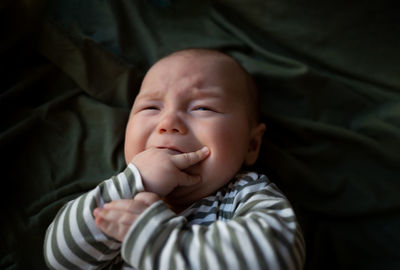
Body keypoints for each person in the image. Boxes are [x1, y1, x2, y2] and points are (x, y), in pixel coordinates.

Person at [44, 48, 306, 270]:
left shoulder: (244, 195)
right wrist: (136, 178)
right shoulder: (122, 195)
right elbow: (60, 258)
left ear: (251, 144)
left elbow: (276, 257)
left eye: (202, 108)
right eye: (151, 108)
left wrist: (154, 238)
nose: (168, 123)